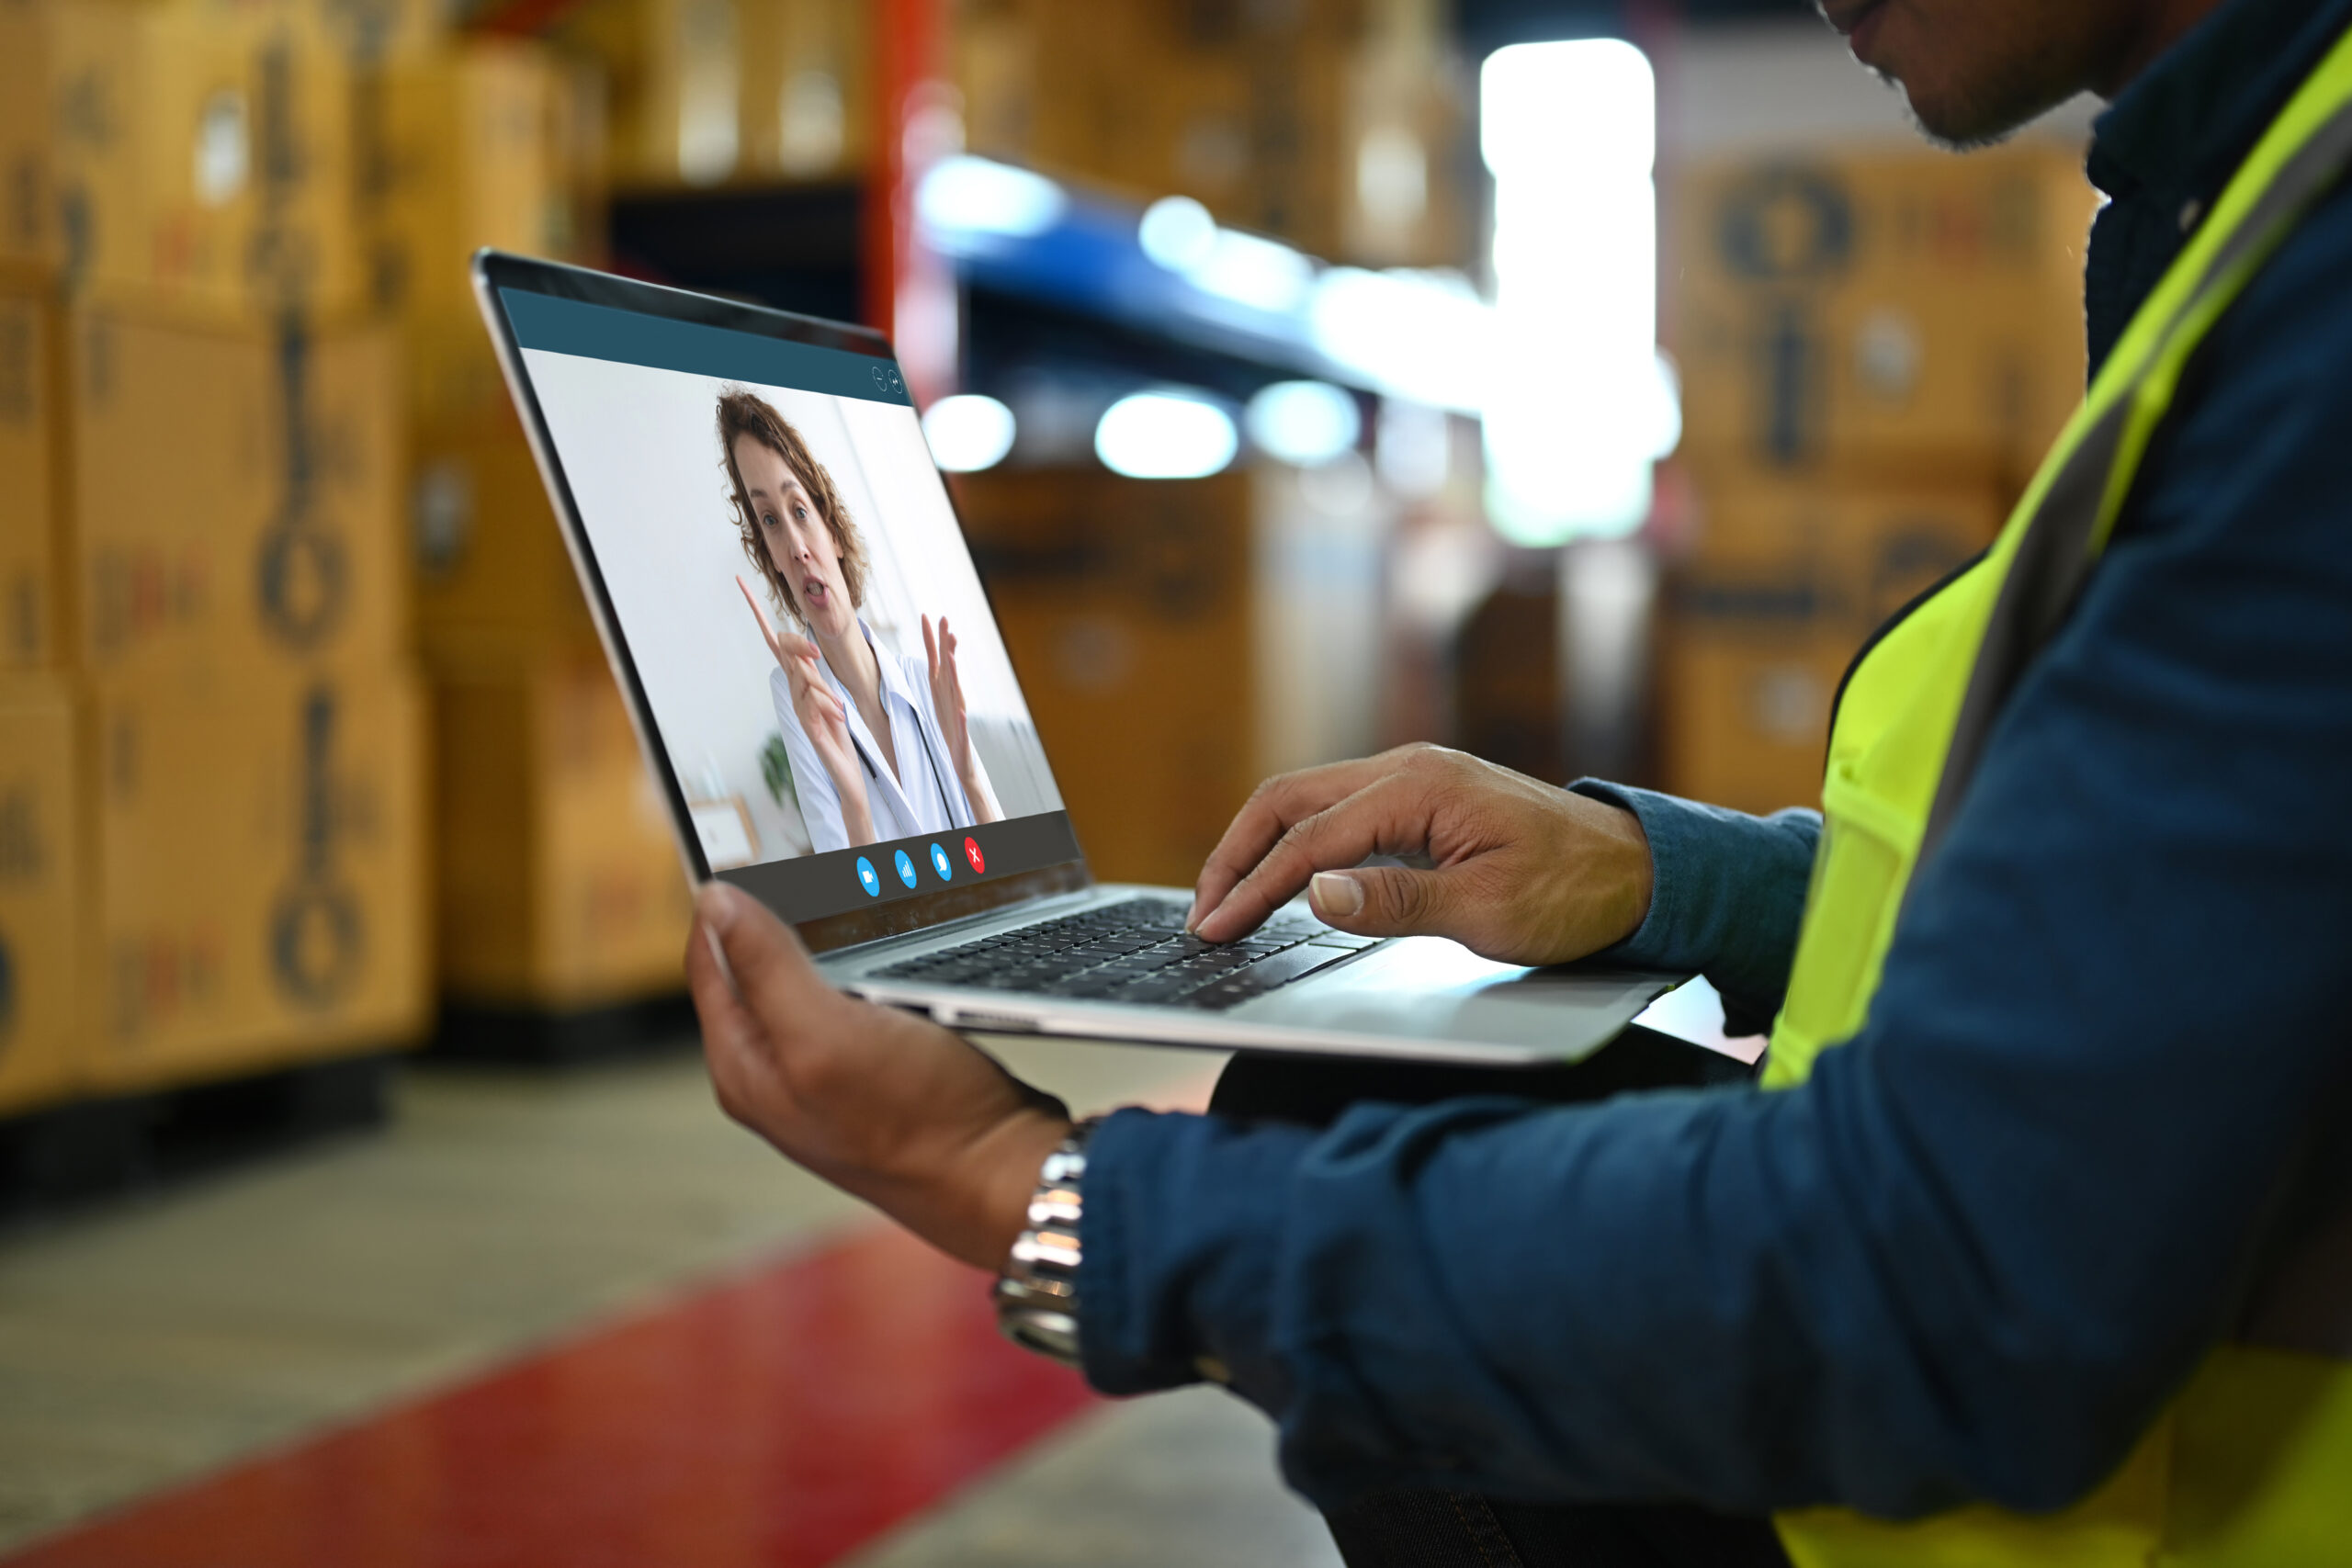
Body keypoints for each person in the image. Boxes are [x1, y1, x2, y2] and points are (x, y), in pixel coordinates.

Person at [681, 1, 2352, 1564]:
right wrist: (1664, 877)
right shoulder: (2243, 198)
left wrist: (1053, 1203)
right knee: (1344, 1087)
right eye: (768, 534)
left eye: (807, 516)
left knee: (1344, 1137)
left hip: (2143, 1495)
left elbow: (1962, 1285)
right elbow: (2204, 921)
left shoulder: (2318, 304)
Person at [718, 387, 1002, 854]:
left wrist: (968, 774)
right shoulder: (799, 701)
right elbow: (864, 913)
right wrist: (855, 806)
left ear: (834, 533)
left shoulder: (926, 681)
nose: (796, 545)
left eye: (799, 511)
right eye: (769, 520)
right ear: (772, 560)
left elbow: (1016, 878)